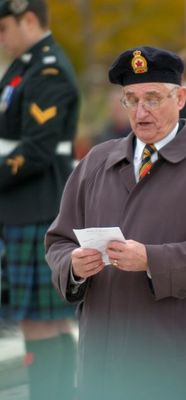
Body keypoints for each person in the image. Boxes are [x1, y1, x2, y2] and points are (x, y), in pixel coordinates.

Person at [45, 46, 186, 400]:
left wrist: (152, 261)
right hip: (103, 362)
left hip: (178, 361)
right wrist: (73, 267)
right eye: (131, 99)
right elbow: (59, 241)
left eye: (153, 99)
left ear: (181, 97)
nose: (141, 112)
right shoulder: (96, 160)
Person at [0, 1, 79, 399]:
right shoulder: (24, 67)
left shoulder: (46, 70)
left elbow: (37, 148)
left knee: (42, 322)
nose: (1, 38)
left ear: (28, 20)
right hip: (24, 207)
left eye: (3, 29)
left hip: (36, 206)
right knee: (49, 321)